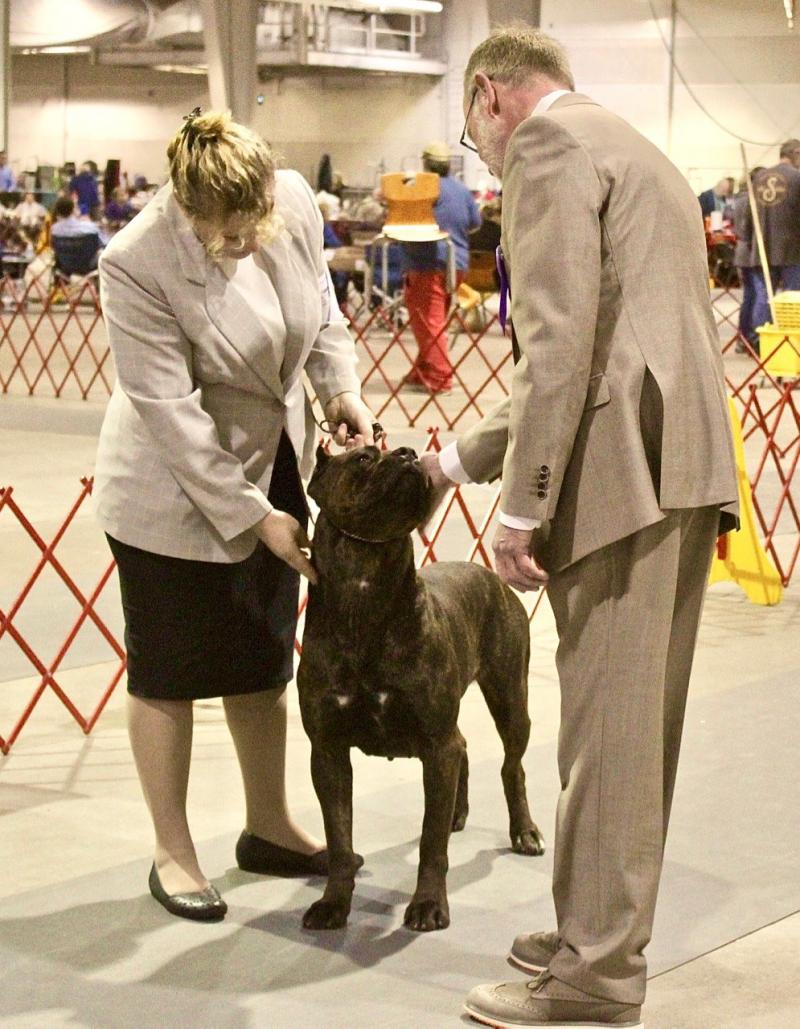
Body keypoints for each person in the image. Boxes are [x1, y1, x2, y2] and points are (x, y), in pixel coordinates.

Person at [420, 27, 738, 1029]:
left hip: (618, 474)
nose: (483, 158)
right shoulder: (633, 144)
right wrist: (450, 464)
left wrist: (519, 508)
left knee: (605, 740)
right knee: (636, 731)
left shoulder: (547, 147)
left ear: (488, 95)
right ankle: (590, 929)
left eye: (474, 135)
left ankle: (593, 978)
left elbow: (556, 347)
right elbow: (607, 337)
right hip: (682, 458)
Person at [92, 109, 376, 922]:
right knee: (169, 671)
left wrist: (341, 392)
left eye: (256, 224)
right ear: (187, 207)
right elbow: (172, 415)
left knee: (263, 658)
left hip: (274, 463)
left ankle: (269, 824)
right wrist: (255, 517)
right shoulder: (136, 259)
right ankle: (173, 850)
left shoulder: (292, 199)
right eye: (226, 232)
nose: (246, 241)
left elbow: (321, 314)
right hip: (169, 491)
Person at [401, 141, 481, 394]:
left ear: (425, 164)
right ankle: (422, 372)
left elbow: (404, 219)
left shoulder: (422, 188)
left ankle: (440, 378)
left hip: (427, 263)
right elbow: (475, 223)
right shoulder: (462, 190)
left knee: (427, 323)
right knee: (433, 322)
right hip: (458, 264)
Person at [746, 139, 800, 335]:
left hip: (761, 248)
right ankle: (788, 342)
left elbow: (748, 215)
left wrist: (750, 243)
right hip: (792, 251)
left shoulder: (759, 177)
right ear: (796, 153)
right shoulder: (797, 177)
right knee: (792, 299)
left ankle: (758, 340)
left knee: (763, 297)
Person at [731, 169, 764, 352]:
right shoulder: (751, 199)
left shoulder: (739, 198)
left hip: (743, 251)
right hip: (751, 252)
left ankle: (743, 338)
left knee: (749, 296)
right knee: (758, 295)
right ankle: (753, 338)